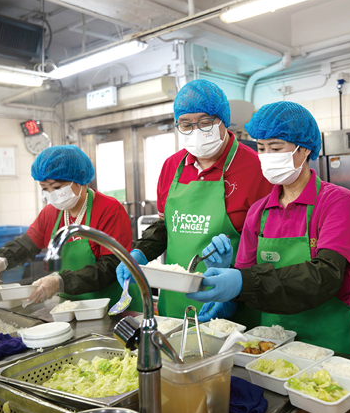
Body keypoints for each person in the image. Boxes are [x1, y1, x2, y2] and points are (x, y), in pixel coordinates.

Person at [186, 102, 350, 355]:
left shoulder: (335, 201)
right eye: (261, 148)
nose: (267, 155)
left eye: (276, 147)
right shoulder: (258, 212)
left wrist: (241, 281)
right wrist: (229, 287)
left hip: (328, 342)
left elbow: (326, 276)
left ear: (304, 150)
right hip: (270, 341)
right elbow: (248, 279)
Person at [116, 80, 273, 319]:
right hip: (176, 305)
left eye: (205, 122)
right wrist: (140, 252)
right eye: (186, 124)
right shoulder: (171, 166)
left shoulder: (257, 168)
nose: (196, 131)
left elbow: (269, 245)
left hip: (234, 304)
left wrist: (235, 285)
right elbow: (165, 226)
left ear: (223, 120)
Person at [0, 145, 139, 308]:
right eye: (45, 188)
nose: (51, 194)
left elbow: (111, 266)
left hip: (112, 304)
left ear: (79, 179)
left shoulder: (109, 209)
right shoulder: (50, 213)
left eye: (57, 187)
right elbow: (26, 244)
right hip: (70, 306)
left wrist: (60, 281)